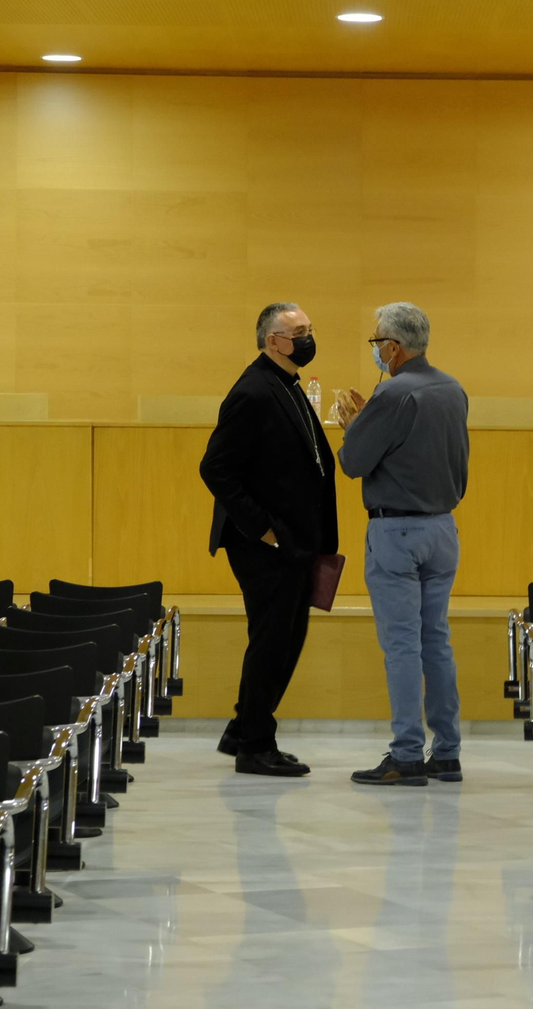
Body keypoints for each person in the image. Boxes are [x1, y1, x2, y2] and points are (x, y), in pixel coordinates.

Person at [199, 303, 338, 777]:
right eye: (299, 332)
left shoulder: (285, 385)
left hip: (293, 542)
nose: (307, 338)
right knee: (273, 640)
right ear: (273, 340)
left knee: (287, 637)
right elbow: (215, 467)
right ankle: (255, 745)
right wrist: (261, 528)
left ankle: (245, 727)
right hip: (265, 545)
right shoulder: (254, 391)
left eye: (310, 330)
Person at [336, 302, 470, 787]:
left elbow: (353, 462)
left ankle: (407, 753)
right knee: (436, 640)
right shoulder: (452, 389)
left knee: (401, 647)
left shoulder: (392, 392)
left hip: (397, 532)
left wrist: (353, 425)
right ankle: (447, 751)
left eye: (377, 343)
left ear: (393, 347)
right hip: (442, 529)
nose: (376, 351)